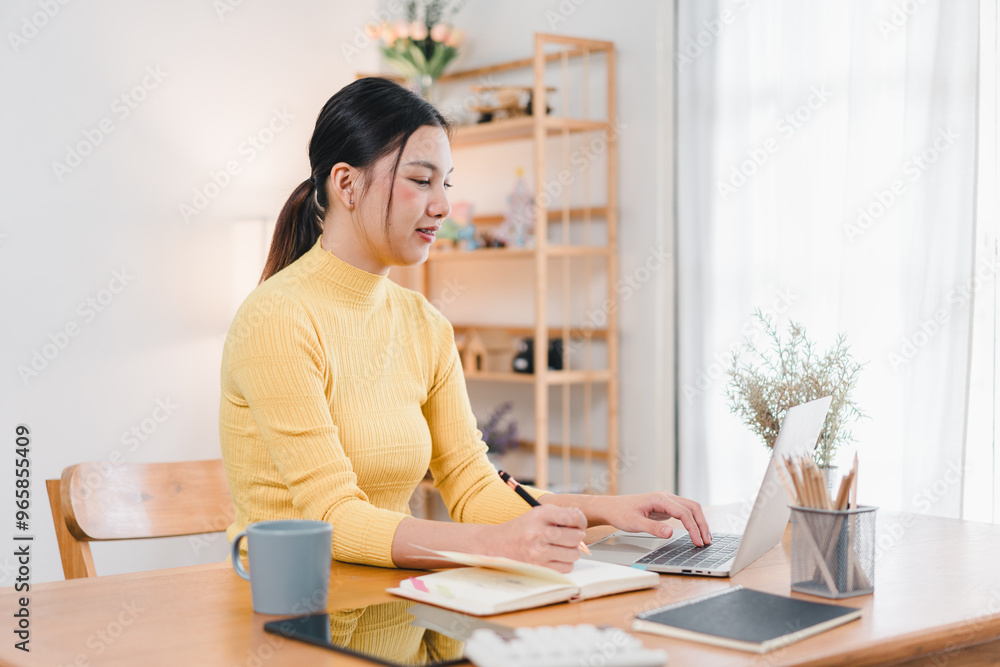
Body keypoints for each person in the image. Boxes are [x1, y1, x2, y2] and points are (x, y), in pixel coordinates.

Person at [220, 77, 711, 574]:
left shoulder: (424, 324)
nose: (442, 205)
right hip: (288, 607)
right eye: (420, 180)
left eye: (445, 183)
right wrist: (497, 545)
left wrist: (603, 509)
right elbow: (333, 517)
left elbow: (472, 484)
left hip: (389, 606)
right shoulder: (277, 318)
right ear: (346, 183)